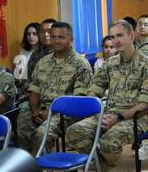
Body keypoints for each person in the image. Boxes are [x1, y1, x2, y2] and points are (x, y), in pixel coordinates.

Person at [66, 19, 148, 172]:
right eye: (113, 36)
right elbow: (94, 89)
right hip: (109, 114)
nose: (116, 41)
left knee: (109, 141)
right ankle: (110, 171)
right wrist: (95, 109)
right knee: (74, 132)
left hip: (137, 117)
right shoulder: (110, 63)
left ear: (131, 36)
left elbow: (147, 103)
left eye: (120, 35)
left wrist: (118, 117)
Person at [18, 20, 91, 150]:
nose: (56, 41)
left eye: (61, 37)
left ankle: (38, 167)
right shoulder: (42, 62)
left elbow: (79, 100)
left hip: (67, 113)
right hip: (41, 109)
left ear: (71, 39)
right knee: (21, 128)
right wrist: (35, 111)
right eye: (53, 37)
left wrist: (51, 112)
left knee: (41, 134)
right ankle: (28, 165)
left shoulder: (81, 64)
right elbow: (34, 90)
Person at [13, 21, 43, 89]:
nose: (31, 37)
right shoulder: (23, 51)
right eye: (28, 34)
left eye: (34, 34)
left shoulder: (44, 51)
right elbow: (18, 74)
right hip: (24, 85)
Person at [26, 17, 56, 83]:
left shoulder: (65, 54)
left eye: (49, 31)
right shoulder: (35, 54)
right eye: (42, 31)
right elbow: (30, 80)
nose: (45, 34)